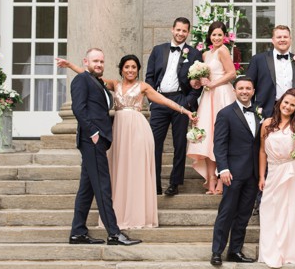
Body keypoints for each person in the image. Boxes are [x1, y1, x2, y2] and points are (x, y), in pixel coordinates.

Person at [57, 54, 196, 230]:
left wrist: (186, 111)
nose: (130, 70)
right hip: (118, 130)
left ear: (138, 70)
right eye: (127, 67)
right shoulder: (115, 84)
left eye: (134, 67)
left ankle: (137, 215)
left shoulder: (144, 87)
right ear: (121, 69)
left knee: (136, 171)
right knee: (119, 170)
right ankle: (119, 215)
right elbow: (89, 77)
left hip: (138, 130)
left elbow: (165, 101)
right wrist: (70, 65)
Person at [67, 48, 140, 247]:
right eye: (95, 61)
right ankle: (114, 234)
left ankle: (78, 232)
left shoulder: (96, 82)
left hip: (98, 141)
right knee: (103, 186)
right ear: (85, 62)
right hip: (92, 141)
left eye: (101, 61)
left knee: (87, 188)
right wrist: (93, 132)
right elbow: (78, 108)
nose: (99, 64)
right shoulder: (82, 80)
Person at [145, 17, 203, 196]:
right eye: (178, 30)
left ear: (188, 32)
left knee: (179, 144)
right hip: (160, 100)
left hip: (181, 101)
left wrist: (187, 103)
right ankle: (154, 183)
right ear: (172, 29)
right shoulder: (158, 50)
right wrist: (153, 99)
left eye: (184, 31)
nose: (180, 33)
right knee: (154, 143)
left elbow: (198, 84)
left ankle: (174, 183)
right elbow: (149, 77)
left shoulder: (194, 54)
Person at [258, 89, 295, 267]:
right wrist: (262, 176)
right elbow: (261, 151)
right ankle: (270, 252)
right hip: (274, 171)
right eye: (286, 102)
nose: (288, 106)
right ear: (279, 102)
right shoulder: (267, 123)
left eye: (292, 104)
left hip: (294, 170)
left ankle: (289, 253)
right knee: (268, 210)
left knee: (291, 211)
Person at [210, 76, 262, 266]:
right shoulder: (225, 114)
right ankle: (217, 251)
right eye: (241, 88)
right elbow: (219, 144)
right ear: (235, 91)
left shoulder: (258, 113)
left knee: (244, 214)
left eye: (248, 88)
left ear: (253, 91)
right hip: (232, 172)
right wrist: (222, 168)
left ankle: (235, 251)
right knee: (226, 213)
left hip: (253, 173)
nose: (244, 91)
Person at [189, 21, 238, 195]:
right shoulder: (205, 55)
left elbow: (232, 73)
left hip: (222, 94)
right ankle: (211, 180)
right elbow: (203, 78)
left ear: (224, 36)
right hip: (208, 96)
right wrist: (197, 82)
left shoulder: (223, 50)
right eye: (214, 34)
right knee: (208, 136)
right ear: (209, 36)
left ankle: (221, 180)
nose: (216, 38)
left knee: (221, 135)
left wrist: (213, 84)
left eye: (220, 34)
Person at [246, 24, 295, 122]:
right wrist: (253, 109)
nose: (282, 39)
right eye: (279, 37)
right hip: (266, 112)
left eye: (285, 37)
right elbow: (248, 86)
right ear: (273, 40)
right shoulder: (258, 59)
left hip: (293, 113)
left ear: (290, 39)